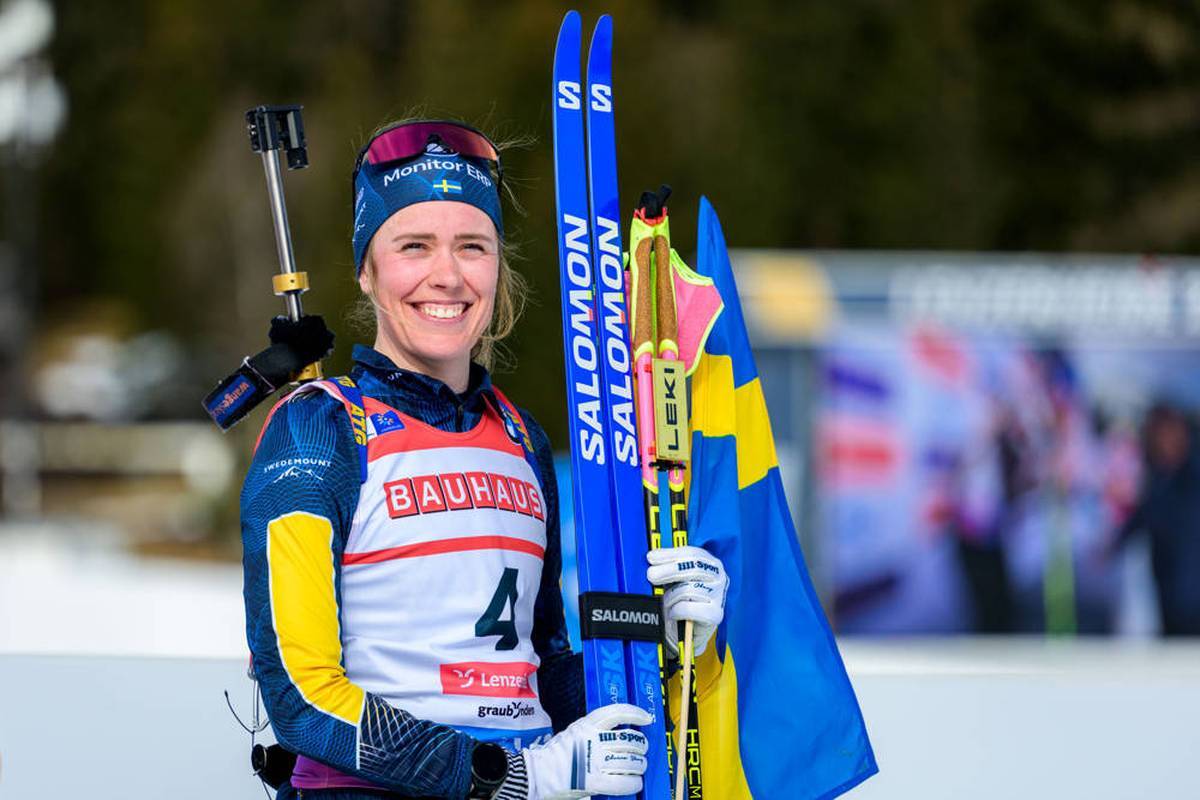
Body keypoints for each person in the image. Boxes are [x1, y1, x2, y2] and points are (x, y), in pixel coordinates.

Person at [240, 119, 730, 799]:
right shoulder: (319, 429)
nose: (447, 275)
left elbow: (539, 669)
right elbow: (300, 695)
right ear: (366, 269)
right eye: (414, 245)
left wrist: (663, 644)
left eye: (473, 246)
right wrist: (511, 776)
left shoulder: (521, 440)